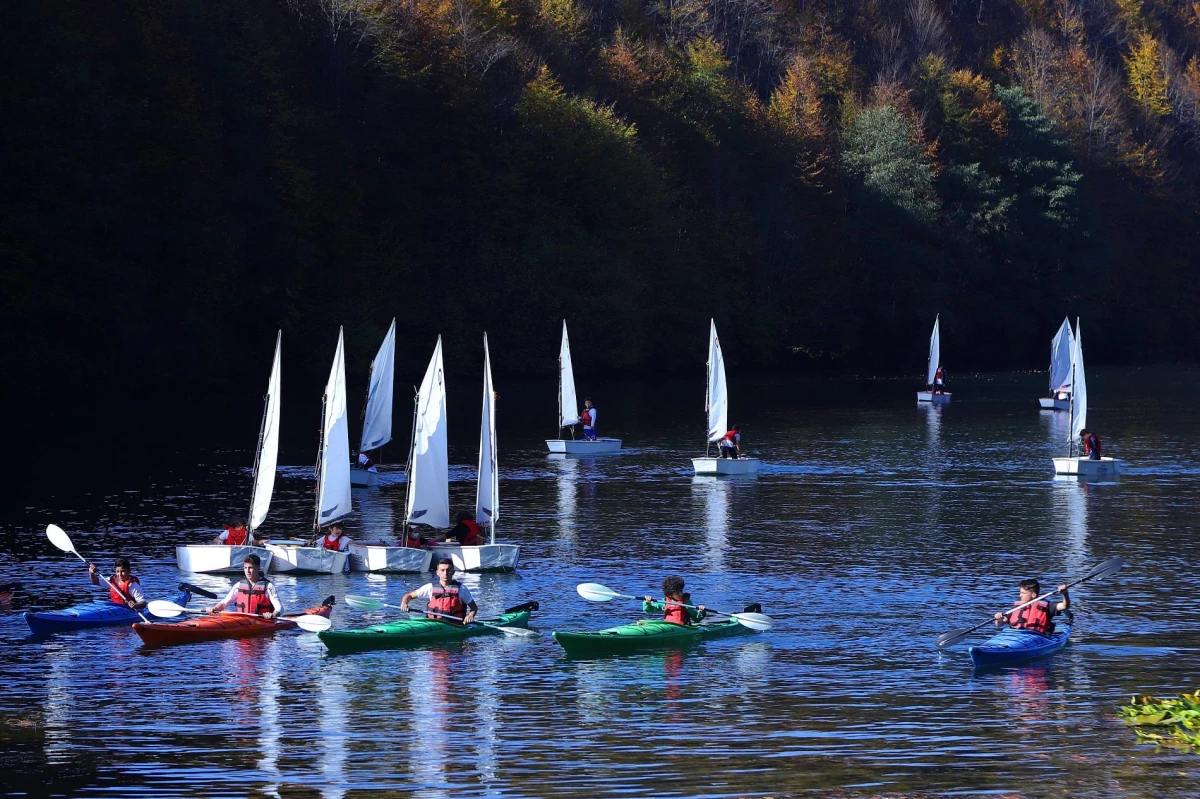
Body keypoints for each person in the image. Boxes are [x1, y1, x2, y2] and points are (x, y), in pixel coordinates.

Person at [400, 558, 478, 624]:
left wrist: (470, 616)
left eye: (448, 570)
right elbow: (409, 595)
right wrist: (404, 603)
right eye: (442, 570)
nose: (445, 573)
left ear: (453, 572)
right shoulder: (430, 587)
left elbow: (474, 607)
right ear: (437, 572)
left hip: (454, 626)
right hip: (433, 624)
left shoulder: (461, 589)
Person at [208, 554, 281, 619]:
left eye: (250, 568)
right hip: (241, 620)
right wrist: (215, 608)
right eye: (245, 568)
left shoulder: (268, 586)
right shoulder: (238, 585)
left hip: (262, 621)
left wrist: (272, 614)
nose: (247, 571)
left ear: (258, 568)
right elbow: (225, 602)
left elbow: (279, 608)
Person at [994, 579, 1069, 635]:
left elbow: (1065, 606)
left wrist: (1065, 594)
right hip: (1014, 635)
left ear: (1033, 595)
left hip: (1037, 636)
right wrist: (998, 619)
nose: (1020, 595)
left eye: (1023, 593)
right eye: (1020, 593)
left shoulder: (1047, 606)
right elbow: (999, 624)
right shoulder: (1017, 607)